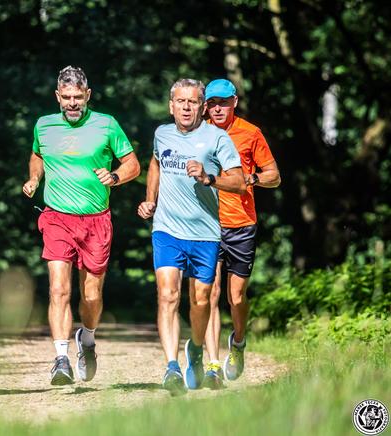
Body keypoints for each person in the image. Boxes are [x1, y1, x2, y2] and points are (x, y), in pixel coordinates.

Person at [22, 66, 140, 385]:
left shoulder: (107, 125)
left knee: (91, 295)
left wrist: (115, 177)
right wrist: (35, 177)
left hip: (96, 220)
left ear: (87, 95)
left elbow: (133, 164)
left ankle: (86, 339)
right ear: (57, 96)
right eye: (67, 97)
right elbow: (37, 155)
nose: (73, 103)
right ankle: (60, 358)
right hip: (57, 216)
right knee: (59, 287)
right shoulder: (44, 125)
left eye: (78, 97)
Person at [137, 78, 245, 393]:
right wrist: (150, 199)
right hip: (167, 230)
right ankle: (171, 367)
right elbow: (155, 164)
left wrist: (209, 178)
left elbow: (238, 182)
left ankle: (195, 349)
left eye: (193, 102)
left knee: (200, 300)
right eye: (181, 101)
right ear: (171, 106)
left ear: (202, 106)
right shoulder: (161, 133)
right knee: (168, 294)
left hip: (206, 233)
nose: (186, 107)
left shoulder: (217, 138)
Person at [203, 79, 281, 382]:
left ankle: (237, 341)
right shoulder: (198, 132)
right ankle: (212, 363)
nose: (217, 108)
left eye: (223, 102)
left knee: (236, 297)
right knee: (209, 293)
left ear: (234, 102)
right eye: (212, 103)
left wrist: (252, 179)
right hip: (206, 224)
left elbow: (274, 176)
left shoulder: (251, 133)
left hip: (241, 224)